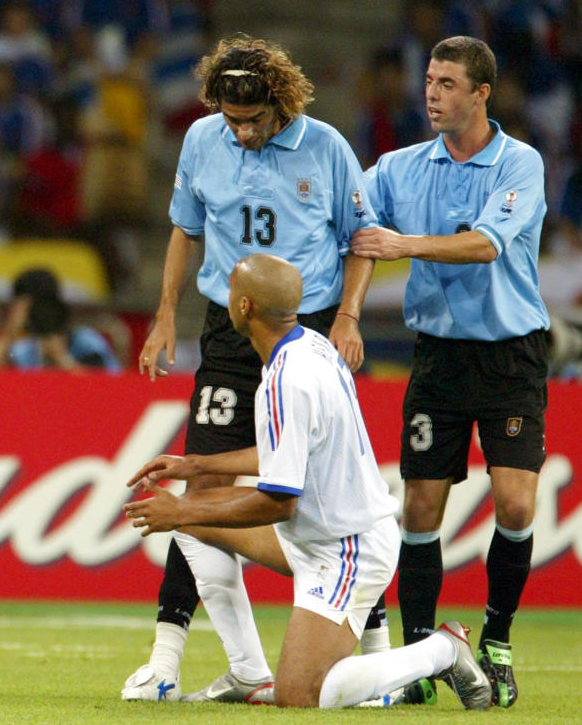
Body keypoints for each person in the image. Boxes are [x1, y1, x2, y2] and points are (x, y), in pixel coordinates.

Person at [123, 34, 385, 703]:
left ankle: (382, 656)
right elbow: (186, 229)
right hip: (228, 329)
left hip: (309, 328)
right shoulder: (202, 139)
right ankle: (199, 662)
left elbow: (362, 239)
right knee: (199, 491)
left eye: (254, 120)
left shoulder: (325, 146)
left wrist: (349, 319)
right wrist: (163, 315)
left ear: (281, 102)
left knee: (330, 497)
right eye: (231, 118)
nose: (241, 132)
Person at [123, 253, 492, 709]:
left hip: (344, 548)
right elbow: (288, 453)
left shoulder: (286, 379)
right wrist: (194, 466)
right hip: (326, 535)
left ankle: (441, 651)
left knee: (301, 694)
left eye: (231, 288)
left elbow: (280, 503)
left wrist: (180, 507)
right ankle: (249, 674)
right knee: (196, 522)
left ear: (244, 308)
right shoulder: (310, 347)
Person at [351, 35, 549, 709]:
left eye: (446, 83)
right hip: (437, 354)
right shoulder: (400, 168)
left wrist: (403, 244)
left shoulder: (518, 163)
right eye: (429, 80)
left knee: (517, 503)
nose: (431, 93)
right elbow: (348, 217)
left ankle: (494, 641)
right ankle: (415, 658)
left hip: (509, 353)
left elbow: (487, 245)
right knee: (422, 506)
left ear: (481, 92)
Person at [0, 267, 123, 372]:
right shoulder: (25, 349)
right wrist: (10, 330)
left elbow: (105, 387)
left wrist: (62, 358)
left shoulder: (86, 341)